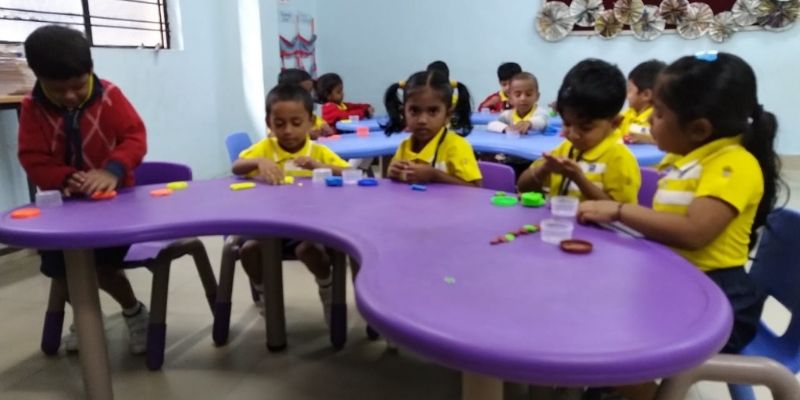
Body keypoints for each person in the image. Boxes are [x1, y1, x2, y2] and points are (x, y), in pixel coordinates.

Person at [579, 52, 779, 400]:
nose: (648, 122)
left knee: (610, 338)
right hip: (683, 282)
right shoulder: (684, 160)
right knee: (597, 309)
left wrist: (620, 210)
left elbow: (693, 232)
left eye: (657, 114)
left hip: (719, 300)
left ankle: (634, 388)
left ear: (699, 129)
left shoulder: (733, 164)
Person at [17, 25, 149, 354]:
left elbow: (135, 138)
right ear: (38, 77)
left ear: (90, 69)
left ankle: (134, 311)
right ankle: (87, 318)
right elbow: (32, 158)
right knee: (61, 271)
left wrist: (112, 170)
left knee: (103, 268)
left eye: (77, 86)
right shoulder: (32, 108)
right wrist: (63, 177)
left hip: (114, 206)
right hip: (62, 210)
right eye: (58, 90)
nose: (70, 96)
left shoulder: (110, 95)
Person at [232, 84, 351, 323]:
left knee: (309, 250)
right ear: (269, 123)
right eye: (279, 124)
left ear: (311, 122)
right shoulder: (265, 148)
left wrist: (319, 167)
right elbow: (236, 167)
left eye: (296, 123)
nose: (287, 131)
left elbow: (348, 173)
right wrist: (258, 162)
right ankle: (264, 293)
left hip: (309, 225)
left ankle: (326, 287)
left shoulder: (317, 151)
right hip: (268, 226)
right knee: (248, 250)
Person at [517, 59, 640, 204]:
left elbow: (621, 212)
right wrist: (543, 169)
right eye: (567, 124)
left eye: (586, 128)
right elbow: (523, 187)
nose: (573, 135)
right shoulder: (564, 150)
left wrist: (579, 179)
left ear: (615, 123)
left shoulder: (620, 159)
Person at [383, 70, 482, 187]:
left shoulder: (457, 147)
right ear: (403, 113)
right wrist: (393, 173)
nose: (422, 120)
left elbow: (476, 189)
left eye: (433, 111)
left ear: (448, 115)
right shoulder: (404, 147)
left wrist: (435, 175)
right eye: (414, 110)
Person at [617, 59, 666, 144]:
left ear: (646, 95)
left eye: (629, 90)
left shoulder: (658, 119)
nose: (626, 96)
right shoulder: (628, 114)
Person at [277, 68, 333, 138]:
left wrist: (324, 127)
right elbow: (275, 135)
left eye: (309, 92)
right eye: (304, 92)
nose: (308, 96)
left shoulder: (307, 114)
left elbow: (318, 122)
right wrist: (305, 134)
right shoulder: (279, 115)